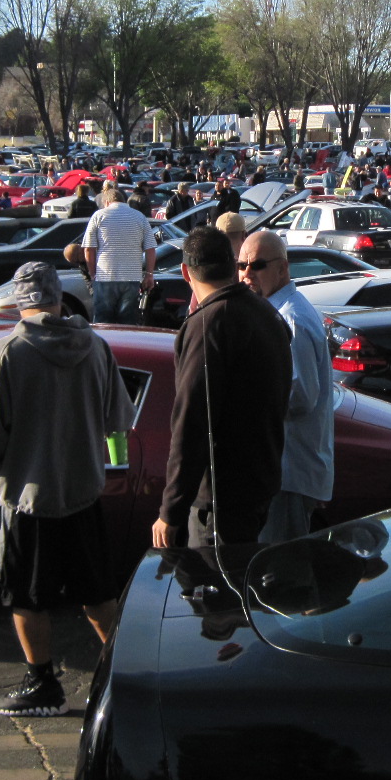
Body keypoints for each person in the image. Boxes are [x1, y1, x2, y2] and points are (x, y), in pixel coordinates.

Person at [0, 262, 135, 717]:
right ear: (58, 301)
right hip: (83, 493)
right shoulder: (96, 347)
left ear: (20, 303)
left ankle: (42, 684)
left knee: (26, 596)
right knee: (98, 595)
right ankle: (127, 677)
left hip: (26, 498)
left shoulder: (6, 354)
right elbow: (117, 419)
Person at [151, 227, 292, 550]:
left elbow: (191, 421)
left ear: (186, 272)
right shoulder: (266, 313)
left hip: (222, 499)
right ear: (232, 265)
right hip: (259, 482)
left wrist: (170, 511)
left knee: (215, 594)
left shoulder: (209, 324)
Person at [237, 232, 335, 543]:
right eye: (241, 265)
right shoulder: (274, 312)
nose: (247, 275)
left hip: (289, 474)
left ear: (283, 269)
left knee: (282, 574)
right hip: (282, 471)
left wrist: (246, 397)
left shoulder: (291, 320)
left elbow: (301, 397)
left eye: (257, 265)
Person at [80, 187, 156, 325]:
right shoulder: (140, 217)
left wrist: (92, 275)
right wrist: (149, 274)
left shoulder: (99, 216)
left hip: (105, 276)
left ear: (107, 202)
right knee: (127, 322)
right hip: (132, 276)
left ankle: (106, 346)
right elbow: (150, 249)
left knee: (103, 322)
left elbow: (89, 249)